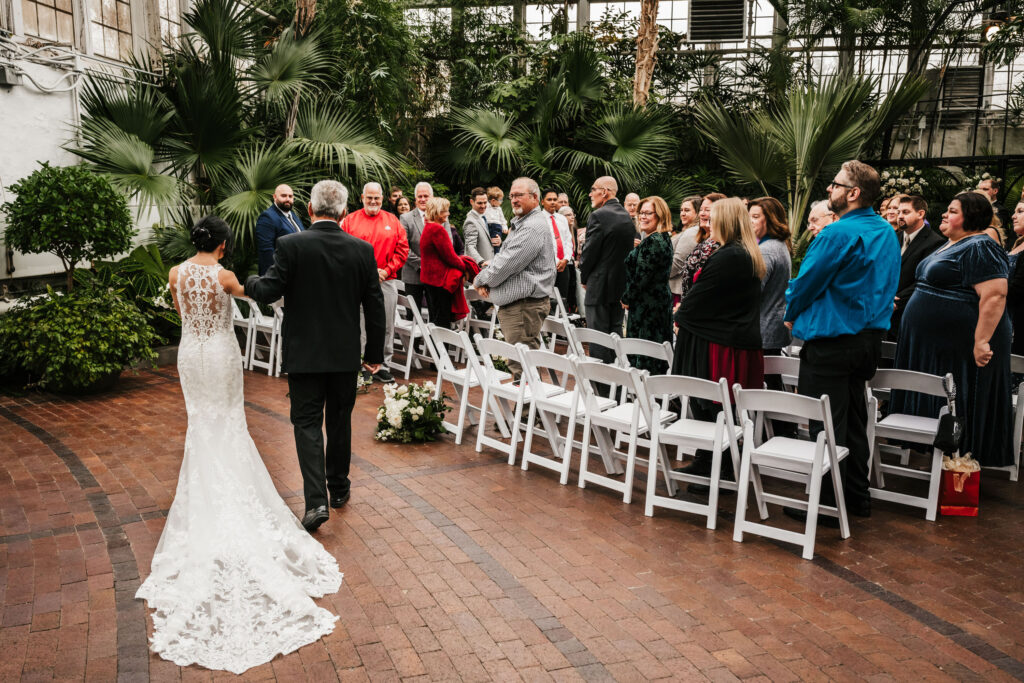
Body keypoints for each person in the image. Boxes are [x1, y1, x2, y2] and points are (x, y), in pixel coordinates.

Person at [137, 216, 344, 674]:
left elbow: (184, 315)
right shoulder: (225, 275)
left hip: (191, 354)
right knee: (229, 422)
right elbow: (262, 296)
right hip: (221, 353)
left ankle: (206, 496)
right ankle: (230, 494)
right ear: (224, 245)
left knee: (201, 425)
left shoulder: (175, 273)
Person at [245, 180, 386, 532]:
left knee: (307, 424)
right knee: (339, 419)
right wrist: (374, 353)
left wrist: (247, 282)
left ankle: (316, 501)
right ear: (344, 211)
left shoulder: (291, 245)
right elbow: (375, 305)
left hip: (304, 353)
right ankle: (338, 487)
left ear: (309, 209)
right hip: (344, 354)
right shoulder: (362, 250)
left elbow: (269, 290)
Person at [784, 160, 900, 526]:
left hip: (833, 341)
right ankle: (856, 496)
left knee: (826, 424)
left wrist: (790, 311)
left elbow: (807, 282)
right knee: (853, 420)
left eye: (835, 184)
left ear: (853, 193)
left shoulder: (836, 233)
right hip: (869, 340)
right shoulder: (886, 231)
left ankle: (829, 504)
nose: (829, 189)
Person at [893, 192, 1013, 468]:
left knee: (959, 397)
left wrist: (981, 341)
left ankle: (960, 464)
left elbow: (995, 295)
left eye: (953, 211)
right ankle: (938, 457)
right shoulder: (953, 243)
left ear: (971, 217)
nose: (944, 214)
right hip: (934, 344)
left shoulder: (981, 246)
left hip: (960, 344)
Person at [672, 198, 766, 482]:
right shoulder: (740, 252)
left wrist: (680, 314)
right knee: (713, 407)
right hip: (723, 337)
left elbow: (700, 296)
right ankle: (709, 461)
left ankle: (718, 467)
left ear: (726, 222)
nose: (709, 223)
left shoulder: (730, 255)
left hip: (718, 343)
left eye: (714, 219)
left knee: (714, 406)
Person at [473, 177, 556, 378]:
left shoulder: (532, 227)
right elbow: (503, 257)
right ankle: (525, 398)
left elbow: (507, 263)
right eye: (511, 196)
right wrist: (488, 280)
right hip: (520, 307)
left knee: (522, 366)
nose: (514, 200)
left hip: (524, 308)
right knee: (520, 363)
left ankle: (527, 400)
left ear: (535, 197)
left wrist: (481, 280)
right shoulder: (523, 222)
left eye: (519, 195)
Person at [340, 182, 409, 384]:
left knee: (386, 325)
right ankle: (361, 366)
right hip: (358, 281)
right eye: (369, 197)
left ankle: (383, 365)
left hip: (386, 280)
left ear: (382, 198)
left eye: (376, 198)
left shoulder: (392, 220)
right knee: (359, 326)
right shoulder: (349, 221)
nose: (373, 201)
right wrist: (366, 272)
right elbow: (342, 250)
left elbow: (402, 249)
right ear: (362, 198)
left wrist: (386, 270)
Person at [579, 176, 635, 364]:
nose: (590, 194)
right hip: (620, 286)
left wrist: (584, 278)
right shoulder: (627, 216)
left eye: (593, 189)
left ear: (604, 192)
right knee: (615, 333)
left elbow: (589, 252)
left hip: (599, 286)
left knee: (598, 338)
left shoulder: (599, 215)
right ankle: (618, 376)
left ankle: (601, 379)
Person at [621, 196, 674, 374]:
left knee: (646, 358)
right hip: (653, 303)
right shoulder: (659, 238)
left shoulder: (654, 241)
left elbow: (642, 276)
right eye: (641, 213)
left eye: (648, 213)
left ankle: (645, 389)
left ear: (660, 215)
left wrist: (626, 297)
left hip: (648, 308)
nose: (642, 217)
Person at [889, 195, 944, 340]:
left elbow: (925, 279)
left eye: (905, 212)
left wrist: (897, 300)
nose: (900, 216)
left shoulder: (934, 242)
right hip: (884, 309)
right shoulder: (894, 237)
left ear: (920, 214)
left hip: (909, 310)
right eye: (899, 212)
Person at [748, 197, 793, 358]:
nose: (750, 221)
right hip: (772, 326)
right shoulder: (779, 244)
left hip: (763, 330)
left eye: (755, 217)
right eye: (749, 216)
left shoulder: (766, 250)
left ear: (771, 219)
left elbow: (751, 291)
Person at [420, 197, 474, 329]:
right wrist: (465, 267)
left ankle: (435, 342)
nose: (448, 214)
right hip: (439, 281)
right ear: (437, 212)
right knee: (442, 320)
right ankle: (442, 343)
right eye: (445, 211)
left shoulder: (428, 227)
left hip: (429, 280)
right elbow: (449, 256)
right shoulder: (437, 229)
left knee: (435, 317)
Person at [401, 182, 446, 308]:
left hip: (436, 275)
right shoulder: (405, 218)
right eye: (419, 196)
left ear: (432, 197)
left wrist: (435, 265)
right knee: (412, 314)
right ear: (415, 199)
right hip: (413, 274)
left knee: (435, 313)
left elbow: (448, 243)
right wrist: (423, 264)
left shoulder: (442, 216)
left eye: (426, 196)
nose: (422, 199)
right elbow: (403, 247)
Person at [678, 193, 726, 298]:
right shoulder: (704, 238)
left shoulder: (716, 244)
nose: (702, 214)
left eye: (707, 210)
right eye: (701, 210)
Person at [255, 184, 303, 275]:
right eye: (283, 196)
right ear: (275, 197)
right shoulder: (267, 217)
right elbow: (267, 253)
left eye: (290, 196)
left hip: (298, 273)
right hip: (280, 276)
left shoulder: (293, 216)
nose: (288, 199)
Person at [542, 188, 576, 314]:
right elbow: (542, 244)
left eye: (555, 199)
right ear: (542, 201)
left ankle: (562, 322)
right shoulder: (539, 219)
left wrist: (566, 259)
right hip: (547, 265)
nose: (552, 202)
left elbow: (568, 241)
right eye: (549, 199)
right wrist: (557, 261)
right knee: (548, 299)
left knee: (563, 298)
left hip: (564, 264)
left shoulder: (561, 219)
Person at [669, 195, 702, 307]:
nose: (682, 213)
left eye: (687, 210)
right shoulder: (690, 230)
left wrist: (657, 275)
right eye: (681, 210)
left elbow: (677, 263)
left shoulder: (692, 232)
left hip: (676, 290)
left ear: (698, 212)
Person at [463, 187, 500, 267]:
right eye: (480, 203)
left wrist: (497, 241)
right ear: (471, 202)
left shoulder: (484, 217)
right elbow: (470, 246)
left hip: (490, 265)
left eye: (485, 202)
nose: (483, 206)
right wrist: (481, 262)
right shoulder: (470, 222)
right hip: (480, 268)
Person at [1007, 201, 1024, 354]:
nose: (1013, 216)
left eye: (1020, 211)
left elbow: (1017, 289)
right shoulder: (1018, 243)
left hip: (1017, 324)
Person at [978, 176, 1012, 246]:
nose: (981, 192)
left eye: (985, 189)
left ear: (995, 191)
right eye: (979, 189)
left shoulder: (1001, 210)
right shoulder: (975, 207)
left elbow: (999, 231)